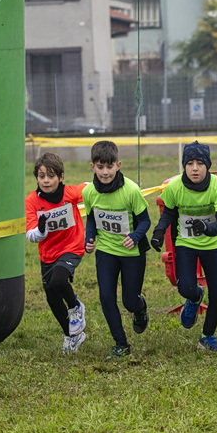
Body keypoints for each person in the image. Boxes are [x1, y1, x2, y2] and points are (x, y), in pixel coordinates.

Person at [152, 141, 217, 353]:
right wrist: (159, 232)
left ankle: (207, 336)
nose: (195, 168)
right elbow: (168, 212)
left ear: (208, 165)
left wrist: (206, 227)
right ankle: (195, 297)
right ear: (184, 166)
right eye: (189, 164)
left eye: (200, 163)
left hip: (211, 244)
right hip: (185, 243)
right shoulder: (175, 186)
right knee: (185, 288)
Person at [82, 139, 151, 359]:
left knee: (129, 301)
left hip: (132, 253)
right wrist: (89, 238)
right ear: (92, 167)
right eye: (100, 167)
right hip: (106, 250)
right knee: (106, 297)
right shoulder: (89, 192)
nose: (105, 172)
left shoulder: (131, 190)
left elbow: (145, 221)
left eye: (109, 166)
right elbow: (91, 218)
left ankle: (140, 308)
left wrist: (135, 236)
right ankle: (121, 343)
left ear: (118, 165)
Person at [23, 152, 88, 354]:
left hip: (72, 247)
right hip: (48, 254)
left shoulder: (70, 193)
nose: (46, 181)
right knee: (51, 297)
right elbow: (31, 235)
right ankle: (71, 335)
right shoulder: (32, 201)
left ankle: (75, 307)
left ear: (61, 177)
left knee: (58, 281)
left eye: (51, 176)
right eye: (41, 176)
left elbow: (90, 187)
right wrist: (41, 230)